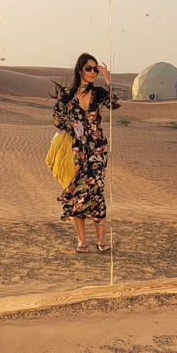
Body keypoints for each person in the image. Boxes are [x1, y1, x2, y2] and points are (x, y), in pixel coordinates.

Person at [52, 53, 117, 253]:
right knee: (78, 193)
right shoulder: (67, 94)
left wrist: (107, 80)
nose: (92, 72)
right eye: (89, 68)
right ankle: (82, 241)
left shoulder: (98, 93)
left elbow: (114, 104)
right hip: (77, 151)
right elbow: (56, 117)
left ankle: (101, 241)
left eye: (95, 69)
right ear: (80, 70)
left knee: (96, 191)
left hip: (97, 149)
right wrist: (71, 124)